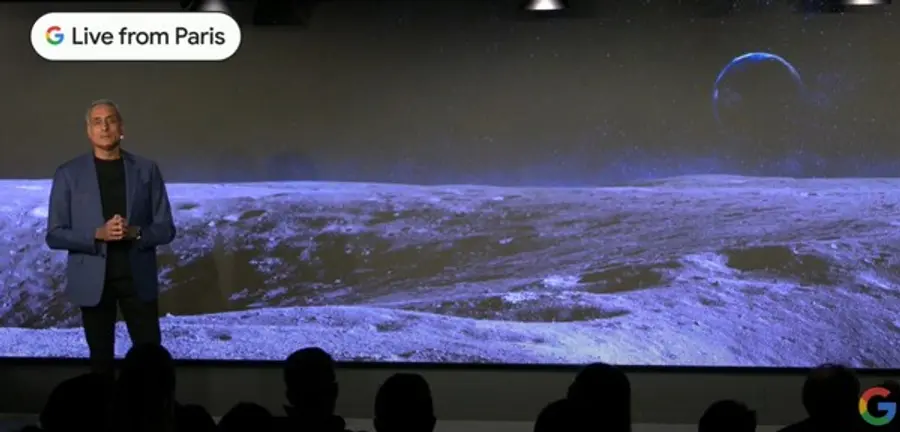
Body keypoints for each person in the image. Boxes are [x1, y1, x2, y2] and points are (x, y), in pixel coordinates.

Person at [45, 99, 176, 377]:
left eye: (110, 120)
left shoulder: (146, 170)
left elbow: (166, 228)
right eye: (97, 122)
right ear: (88, 131)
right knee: (101, 363)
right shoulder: (68, 174)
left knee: (150, 362)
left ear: (121, 128)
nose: (104, 127)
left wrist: (135, 232)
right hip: (94, 283)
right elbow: (54, 235)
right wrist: (97, 234)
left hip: (137, 279)